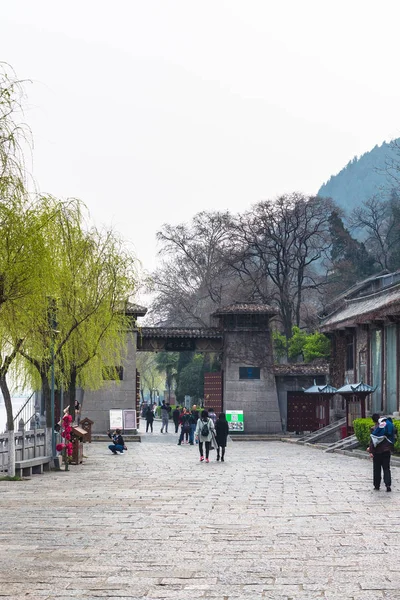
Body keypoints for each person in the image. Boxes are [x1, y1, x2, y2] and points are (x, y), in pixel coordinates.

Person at [367, 416, 395, 491]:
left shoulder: (374, 428)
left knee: (376, 469)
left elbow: (372, 441)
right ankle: (388, 485)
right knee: (386, 468)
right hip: (386, 451)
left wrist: (371, 451)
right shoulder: (389, 426)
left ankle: (376, 485)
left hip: (377, 452)